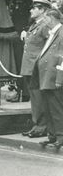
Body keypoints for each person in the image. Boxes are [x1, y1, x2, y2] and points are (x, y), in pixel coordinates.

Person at [20, 0, 51, 138]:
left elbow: (49, 46)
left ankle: (42, 126)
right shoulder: (35, 25)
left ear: (43, 10)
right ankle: (37, 124)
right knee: (34, 97)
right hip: (30, 67)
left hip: (37, 67)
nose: (31, 10)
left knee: (39, 97)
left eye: (34, 8)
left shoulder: (45, 26)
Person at [34, 9, 63, 149]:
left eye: (45, 19)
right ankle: (52, 135)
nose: (44, 22)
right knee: (48, 108)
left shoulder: (61, 33)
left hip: (53, 77)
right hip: (46, 77)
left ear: (52, 19)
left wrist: (60, 78)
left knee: (56, 108)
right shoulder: (52, 34)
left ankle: (60, 136)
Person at [7, 0, 33, 103]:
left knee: (22, 64)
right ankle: (18, 90)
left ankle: (26, 93)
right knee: (15, 65)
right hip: (12, 35)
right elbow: (2, 1)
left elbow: (31, 18)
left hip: (22, 36)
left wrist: (25, 30)